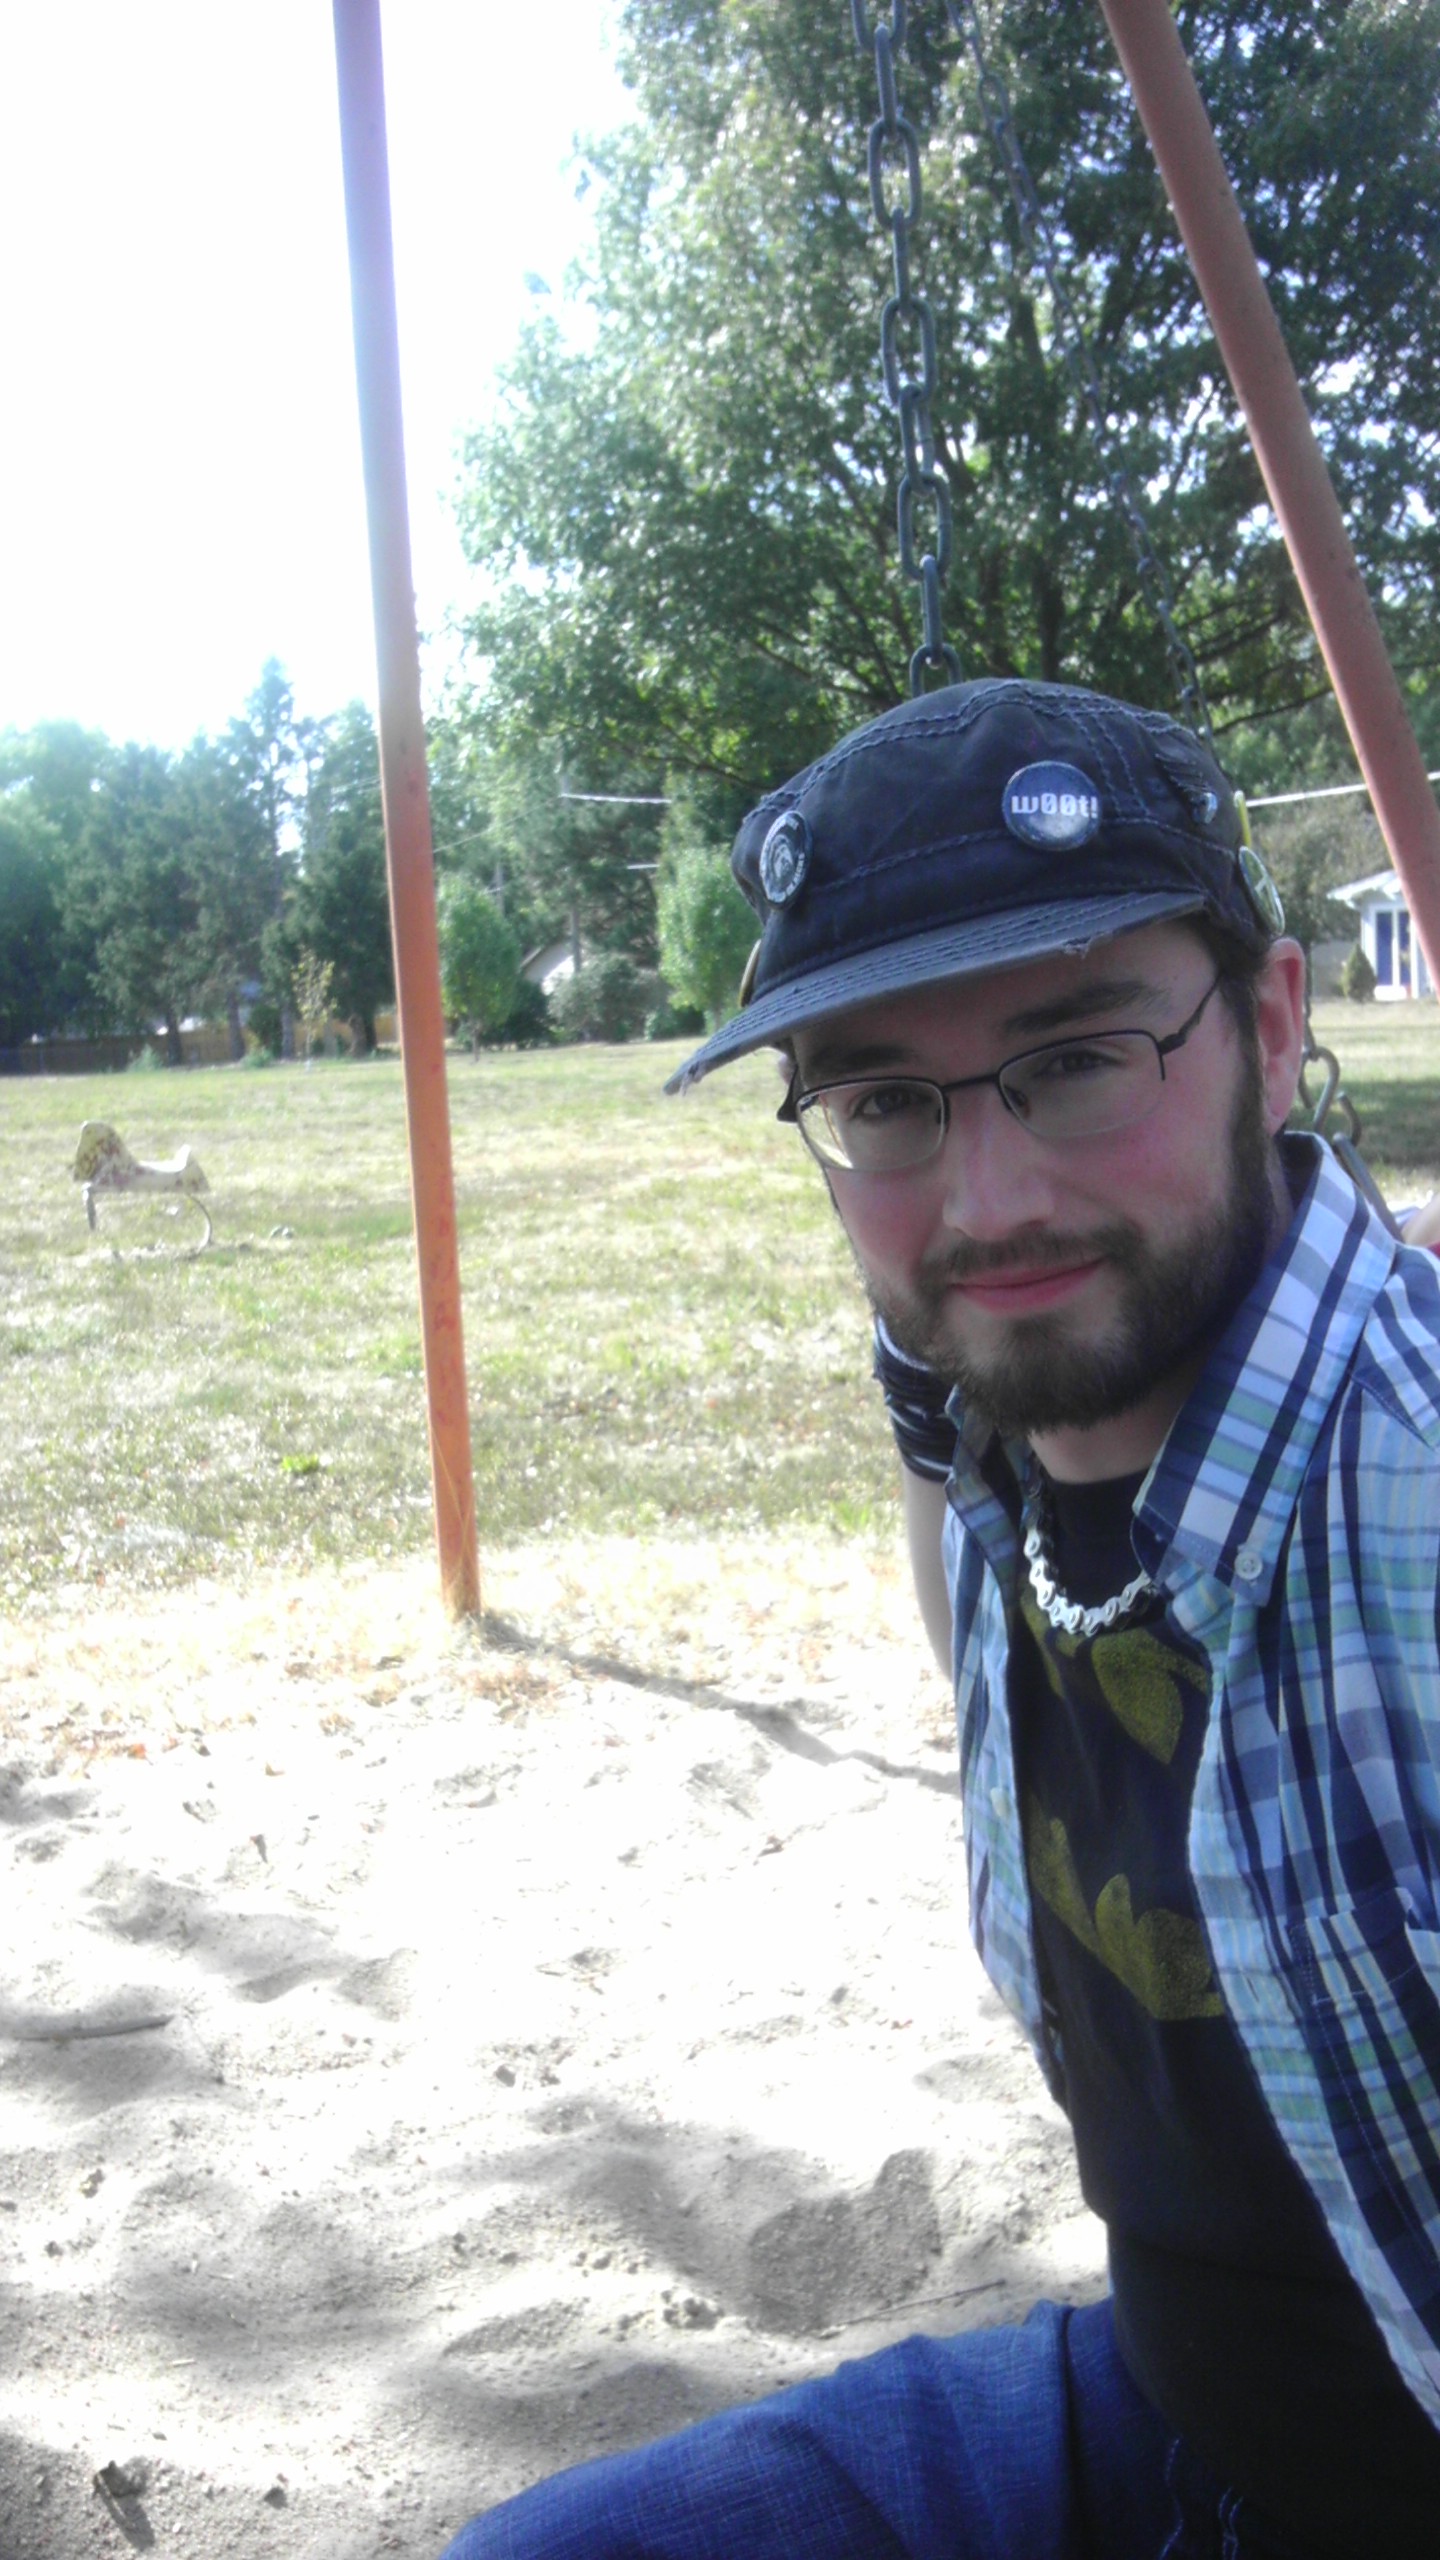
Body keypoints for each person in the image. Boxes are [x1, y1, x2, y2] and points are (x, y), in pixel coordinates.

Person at [440, 681, 1440, 2560]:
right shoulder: (1008, 1465)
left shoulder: (1409, 1500)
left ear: (1270, 1023)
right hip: (1168, 2414)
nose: (988, 1199)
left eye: (1078, 1057)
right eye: (887, 1101)